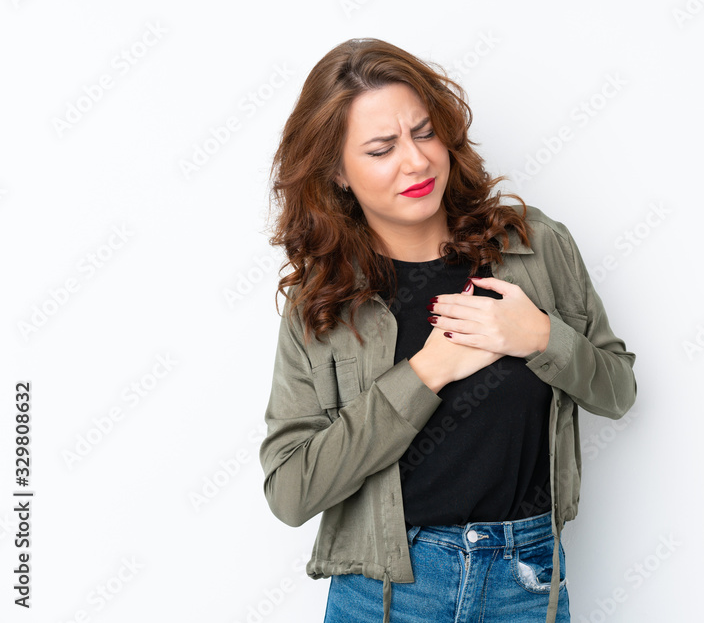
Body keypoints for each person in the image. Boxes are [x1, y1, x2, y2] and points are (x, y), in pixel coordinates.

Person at [258, 37, 636, 623]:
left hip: (525, 583)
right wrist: (425, 373)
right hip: (384, 594)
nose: (416, 161)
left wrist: (542, 337)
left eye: (425, 132)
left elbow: (618, 390)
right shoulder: (323, 300)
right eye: (382, 148)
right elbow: (291, 491)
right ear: (336, 171)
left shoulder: (534, 246)